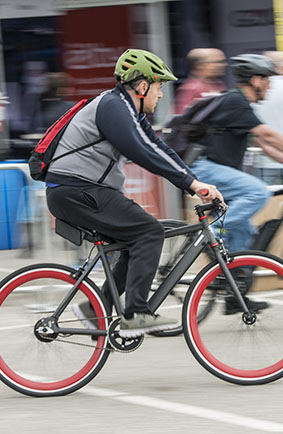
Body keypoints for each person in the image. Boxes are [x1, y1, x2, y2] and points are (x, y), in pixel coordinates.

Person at [44, 49, 222, 338]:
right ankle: (136, 314)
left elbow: (159, 148)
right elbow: (141, 152)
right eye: (159, 86)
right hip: (76, 191)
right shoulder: (113, 107)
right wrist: (191, 185)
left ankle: (94, 308)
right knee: (149, 232)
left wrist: (194, 182)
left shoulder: (128, 110)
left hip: (80, 190)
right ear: (142, 86)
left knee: (133, 241)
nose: (161, 94)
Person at [189, 53, 283, 312]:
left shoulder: (241, 106)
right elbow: (267, 133)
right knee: (257, 192)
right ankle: (208, 232)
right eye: (267, 80)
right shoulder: (236, 101)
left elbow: (266, 146)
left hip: (215, 169)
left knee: (245, 234)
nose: (270, 85)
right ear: (255, 80)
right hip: (205, 168)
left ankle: (235, 296)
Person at [174, 48, 227, 114]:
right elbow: (182, 116)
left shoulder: (219, 84)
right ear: (200, 65)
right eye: (217, 62)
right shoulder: (191, 88)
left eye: (222, 62)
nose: (223, 65)